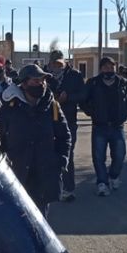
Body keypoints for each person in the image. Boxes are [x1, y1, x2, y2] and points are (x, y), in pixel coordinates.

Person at [0, 64, 71, 215]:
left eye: (43, 80)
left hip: (44, 174)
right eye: (35, 81)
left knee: (40, 220)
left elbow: (64, 136)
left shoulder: (53, 107)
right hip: (17, 174)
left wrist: (61, 160)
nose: (41, 84)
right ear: (24, 84)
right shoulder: (9, 108)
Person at [81, 57, 127, 197]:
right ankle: (102, 183)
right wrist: (91, 112)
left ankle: (113, 176)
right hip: (99, 126)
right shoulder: (93, 83)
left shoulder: (122, 82)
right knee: (99, 157)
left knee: (120, 155)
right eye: (106, 67)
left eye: (112, 67)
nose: (109, 70)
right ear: (101, 69)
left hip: (118, 126)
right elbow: (83, 99)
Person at [45, 50, 87, 202]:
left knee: (67, 154)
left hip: (69, 120)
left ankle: (69, 188)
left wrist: (68, 97)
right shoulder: (44, 76)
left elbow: (83, 95)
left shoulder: (74, 75)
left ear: (65, 62)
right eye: (53, 63)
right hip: (47, 121)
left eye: (59, 63)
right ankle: (51, 186)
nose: (56, 66)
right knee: (48, 153)